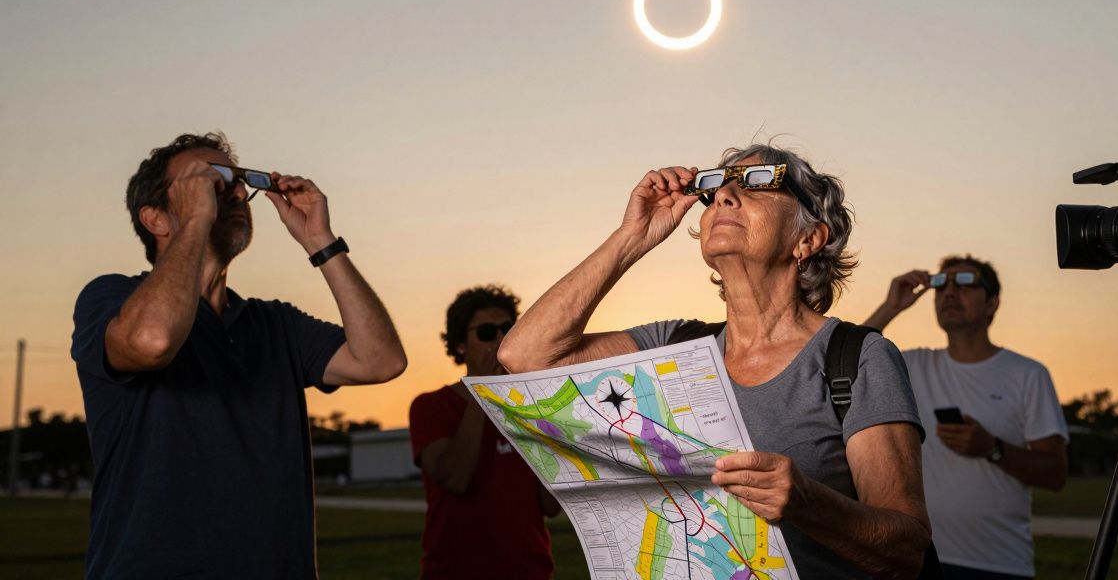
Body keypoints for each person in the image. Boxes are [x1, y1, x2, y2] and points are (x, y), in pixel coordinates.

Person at [500, 143, 931, 579]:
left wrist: (808, 503)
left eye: (759, 183)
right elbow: (526, 356)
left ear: (808, 239)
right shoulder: (675, 345)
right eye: (716, 188)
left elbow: (906, 549)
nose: (725, 195)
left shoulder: (856, 358)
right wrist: (633, 236)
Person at [71, 132, 407, 578]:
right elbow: (150, 342)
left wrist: (320, 242)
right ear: (155, 219)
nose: (232, 193)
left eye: (235, 181)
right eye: (210, 181)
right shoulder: (112, 297)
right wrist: (195, 222)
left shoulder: (275, 324)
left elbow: (381, 360)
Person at [864, 256, 1068, 580]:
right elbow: (846, 363)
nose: (948, 293)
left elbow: (1055, 473)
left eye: (964, 284)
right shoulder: (913, 366)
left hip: (998, 564)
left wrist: (992, 447)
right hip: (918, 559)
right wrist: (892, 306)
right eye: (940, 285)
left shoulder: (1027, 374)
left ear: (992, 303)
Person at [408, 285, 559, 579]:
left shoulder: (528, 408)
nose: (501, 340)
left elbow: (549, 505)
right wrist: (483, 390)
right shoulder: (431, 407)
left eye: (508, 329)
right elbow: (455, 478)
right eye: (488, 332)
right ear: (460, 344)